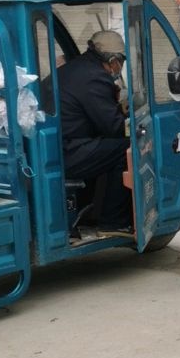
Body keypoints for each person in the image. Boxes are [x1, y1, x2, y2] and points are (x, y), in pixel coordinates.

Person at [56, 29, 133, 231]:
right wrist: (126, 117)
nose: (120, 68)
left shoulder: (76, 68)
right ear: (114, 60)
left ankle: (88, 209)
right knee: (127, 150)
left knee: (105, 148)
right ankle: (114, 222)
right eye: (122, 62)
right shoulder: (95, 78)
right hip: (67, 151)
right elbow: (114, 127)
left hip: (60, 144)